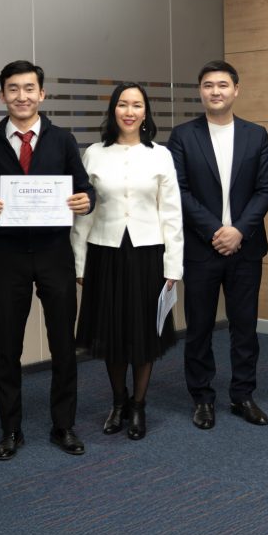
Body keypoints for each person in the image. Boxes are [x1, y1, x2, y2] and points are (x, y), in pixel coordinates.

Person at [0, 60, 94, 459]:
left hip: (55, 253)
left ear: (42, 94)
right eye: (13, 89)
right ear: (2, 95)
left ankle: (63, 425)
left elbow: (85, 190)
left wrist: (85, 201)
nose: (22, 96)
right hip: (9, 257)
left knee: (63, 345)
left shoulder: (63, 140)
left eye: (29, 88)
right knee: (7, 346)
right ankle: (10, 429)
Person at [168, 60, 268, 430]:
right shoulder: (183, 136)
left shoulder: (256, 135)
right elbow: (179, 190)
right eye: (209, 85)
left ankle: (243, 395)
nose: (216, 91)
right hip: (201, 248)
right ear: (201, 91)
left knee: (244, 327)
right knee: (199, 327)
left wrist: (239, 231)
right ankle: (202, 398)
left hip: (245, 248)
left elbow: (265, 188)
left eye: (223, 85)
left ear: (236, 90)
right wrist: (216, 229)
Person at [72, 82, 183, 440]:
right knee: (112, 333)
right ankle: (118, 402)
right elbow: (84, 213)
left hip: (148, 253)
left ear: (145, 112)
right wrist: (79, 263)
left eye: (137, 105)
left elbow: (171, 213)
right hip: (104, 253)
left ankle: (138, 405)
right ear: (113, 110)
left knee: (143, 333)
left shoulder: (160, 155)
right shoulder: (94, 154)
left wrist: (173, 266)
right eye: (123, 104)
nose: (129, 112)